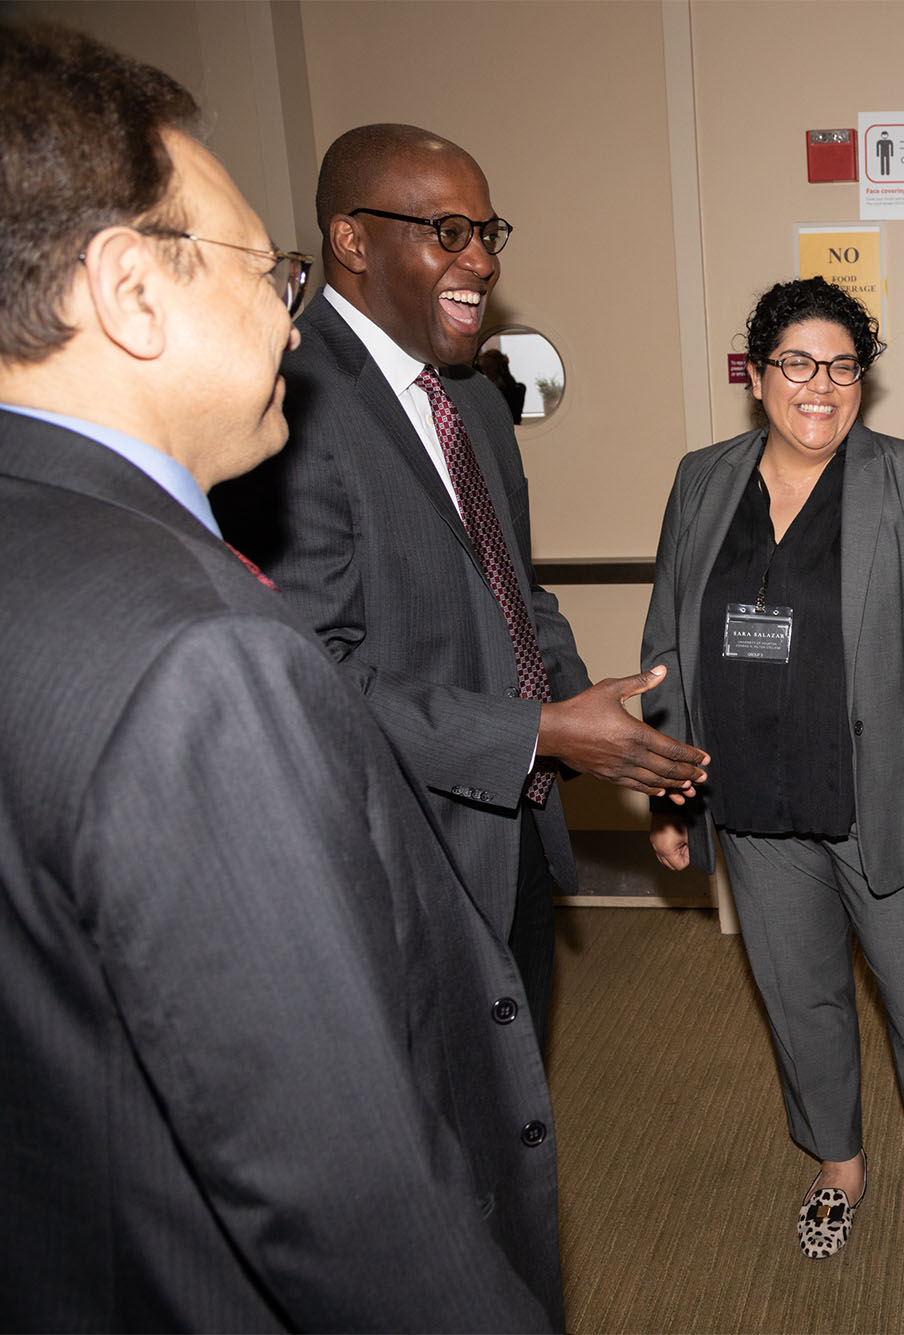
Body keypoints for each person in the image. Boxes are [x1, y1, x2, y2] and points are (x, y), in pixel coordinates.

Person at [0, 25, 559, 1329]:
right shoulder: (199, 655)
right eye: (270, 270)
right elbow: (345, 1190)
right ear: (133, 290)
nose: (287, 313)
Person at [214, 123, 706, 1054]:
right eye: (448, 231)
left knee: (513, 1107)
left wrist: (599, 725)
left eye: (487, 232)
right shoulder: (286, 400)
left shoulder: (474, 398)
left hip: (510, 828)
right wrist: (543, 733)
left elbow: (515, 592)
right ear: (352, 239)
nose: (479, 258)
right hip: (391, 850)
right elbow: (311, 677)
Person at [639, 277, 904, 1283]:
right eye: (798, 364)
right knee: (798, 997)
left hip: (887, 811)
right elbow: (668, 640)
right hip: (755, 802)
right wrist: (668, 783)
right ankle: (837, 1167)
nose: (822, 386)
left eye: (844, 366)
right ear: (756, 376)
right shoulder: (701, 479)